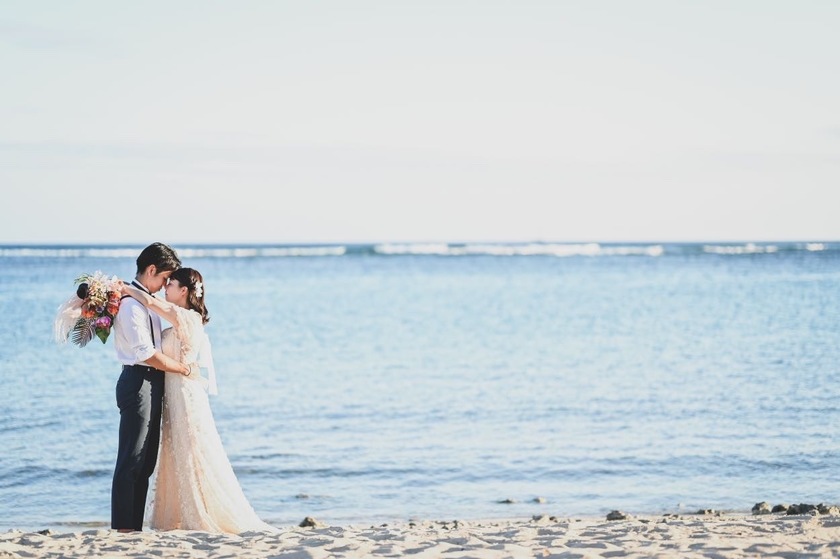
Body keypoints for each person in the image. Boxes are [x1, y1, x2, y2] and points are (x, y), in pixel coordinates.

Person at [120, 267, 276, 534]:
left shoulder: (185, 316)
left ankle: (202, 512)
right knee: (177, 451)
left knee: (192, 450)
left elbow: (147, 300)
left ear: (183, 291)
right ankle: (182, 513)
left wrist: (122, 290)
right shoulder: (183, 319)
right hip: (175, 393)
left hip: (184, 393)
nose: (165, 287)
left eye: (171, 284)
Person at [111, 242, 196, 532]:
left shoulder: (145, 302)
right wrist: (183, 369)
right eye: (164, 278)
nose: (164, 286)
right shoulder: (130, 305)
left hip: (152, 381)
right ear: (151, 270)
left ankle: (134, 528)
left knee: (145, 463)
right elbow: (146, 353)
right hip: (138, 381)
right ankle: (123, 529)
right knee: (131, 459)